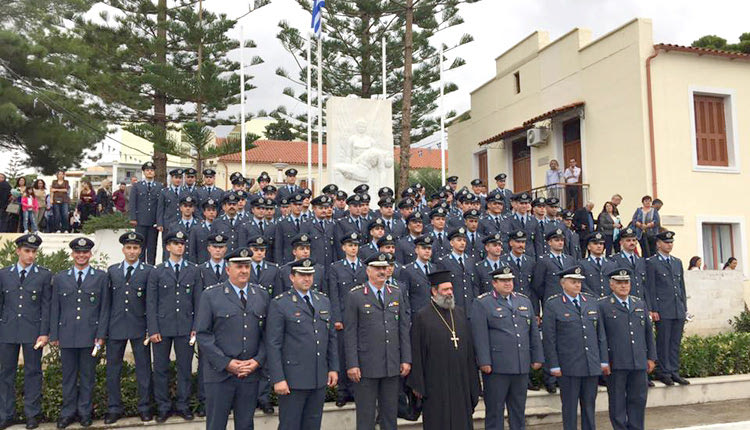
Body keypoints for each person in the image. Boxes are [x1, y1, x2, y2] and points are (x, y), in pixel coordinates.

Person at [195, 247, 268, 430]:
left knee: (245, 425)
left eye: (247, 266)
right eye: (238, 266)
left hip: (249, 375)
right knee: (216, 425)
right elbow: (203, 335)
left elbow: (268, 335)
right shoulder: (211, 295)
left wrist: (257, 361)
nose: (244, 271)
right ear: (228, 269)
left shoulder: (261, 295)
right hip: (220, 375)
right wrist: (227, 363)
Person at [267, 258, 338, 430]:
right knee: (290, 425)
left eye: (310, 275)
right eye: (302, 275)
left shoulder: (323, 301)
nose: (307, 279)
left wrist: (333, 368)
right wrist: (278, 378)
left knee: (313, 424)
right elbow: (273, 343)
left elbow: (331, 337)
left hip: (318, 376)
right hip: (293, 379)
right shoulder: (280, 303)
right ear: (292, 277)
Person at [345, 252, 411, 430]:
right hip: (366, 367)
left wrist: (406, 359)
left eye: (385, 267)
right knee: (366, 417)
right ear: (368, 270)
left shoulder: (396, 293)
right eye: (378, 268)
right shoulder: (356, 296)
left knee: (390, 416)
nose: (382, 271)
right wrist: (352, 364)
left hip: (391, 365)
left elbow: (403, 329)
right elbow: (350, 333)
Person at [471, 266, 543, 430]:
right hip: (497, 367)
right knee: (495, 411)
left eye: (510, 280)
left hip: (520, 365)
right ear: (494, 283)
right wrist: (484, 361)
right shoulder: (483, 303)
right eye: (503, 281)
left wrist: (537, 356)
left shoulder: (523, 301)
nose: (508, 284)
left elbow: (532, 332)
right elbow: (480, 335)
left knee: (518, 410)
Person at [408, 269, 479, 430]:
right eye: (445, 290)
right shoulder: (422, 316)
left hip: (460, 381)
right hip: (435, 383)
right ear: (434, 291)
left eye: (451, 289)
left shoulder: (460, 314)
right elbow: (416, 351)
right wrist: (418, 383)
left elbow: (469, 350)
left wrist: (473, 381)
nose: (449, 293)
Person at [50, 237, 110, 428]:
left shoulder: (100, 277)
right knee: (68, 377)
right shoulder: (60, 278)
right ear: (72, 254)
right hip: (66, 335)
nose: (81, 255)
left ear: (90, 254)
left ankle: (84, 412)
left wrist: (101, 335)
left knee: (87, 377)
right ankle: (67, 413)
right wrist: (54, 335)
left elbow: (104, 309)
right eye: (78, 252)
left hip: (90, 335)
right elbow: (55, 308)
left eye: (85, 252)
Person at [543, 265, 609, 430]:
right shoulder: (553, 304)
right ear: (563, 283)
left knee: (589, 407)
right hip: (569, 366)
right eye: (573, 282)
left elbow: (600, 335)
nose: (578, 285)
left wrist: (603, 361)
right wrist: (554, 364)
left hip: (590, 364)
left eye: (579, 282)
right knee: (570, 408)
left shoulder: (591, 301)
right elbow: (550, 339)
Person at [146, 230, 202, 422]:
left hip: (186, 327)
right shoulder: (157, 271)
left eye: (182, 243)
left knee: (184, 368)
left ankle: (183, 405)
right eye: (175, 243)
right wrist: (152, 329)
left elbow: (198, 301)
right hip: (162, 327)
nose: (179, 246)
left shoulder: (194, 270)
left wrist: (196, 326)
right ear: (168, 246)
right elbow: (151, 302)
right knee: (160, 368)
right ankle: (163, 406)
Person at [0, 234, 52, 430]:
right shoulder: (4, 274)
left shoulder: (44, 275)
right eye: (27, 251)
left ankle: (32, 414)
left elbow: (46, 306)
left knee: (33, 372)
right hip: (7, 330)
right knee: (6, 373)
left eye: (33, 252)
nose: (30, 255)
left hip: (33, 331)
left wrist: (44, 332)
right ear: (18, 251)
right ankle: (5, 414)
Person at [104, 232, 154, 424]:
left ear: (140, 250)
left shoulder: (148, 271)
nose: (132, 251)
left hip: (139, 326)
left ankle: (144, 407)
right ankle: (114, 408)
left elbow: (150, 303)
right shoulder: (113, 271)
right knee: (113, 370)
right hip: (115, 326)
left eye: (135, 248)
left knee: (143, 369)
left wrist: (150, 328)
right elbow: (107, 303)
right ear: (123, 249)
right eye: (129, 248)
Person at [598, 268, 656, 430]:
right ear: (611, 284)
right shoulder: (603, 305)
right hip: (616, 361)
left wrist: (651, 357)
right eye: (619, 283)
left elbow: (648, 333)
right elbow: (601, 336)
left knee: (638, 399)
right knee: (617, 401)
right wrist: (604, 361)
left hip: (638, 360)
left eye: (626, 282)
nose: (623, 286)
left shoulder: (639, 303)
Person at [327, 232, 367, 407]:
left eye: (356, 245)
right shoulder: (336, 268)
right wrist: (336, 317)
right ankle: (343, 392)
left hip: (361, 317)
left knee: (359, 353)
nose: (353, 248)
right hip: (343, 317)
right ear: (343, 248)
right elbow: (334, 295)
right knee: (343, 354)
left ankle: (357, 391)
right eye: (350, 245)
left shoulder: (365, 267)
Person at [646, 231, 689, 386]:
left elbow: (681, 287)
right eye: (666, 242)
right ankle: (663, 371)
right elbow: (650, 288)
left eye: (671, 242)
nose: (669, 245)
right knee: (663, 341)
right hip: (663, 308)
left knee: (675, 342)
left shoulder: (676, 262)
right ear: (658, 244)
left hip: (677, 308)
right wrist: (653, 309)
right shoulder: (652, 262)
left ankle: (674, 371)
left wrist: (684, 307)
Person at [129, 161, 163, 264]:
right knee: (140, 246)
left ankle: (151, 268)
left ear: (154, 173)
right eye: (147, 170)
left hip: (153, 222)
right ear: (143, 172)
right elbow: (132, 202)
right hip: (140, 221)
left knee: (152, 247)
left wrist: (159, 222)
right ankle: (141, 267)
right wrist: (133, 218)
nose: (150, 172)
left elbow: (160, 206)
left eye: (152, 170)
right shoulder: (137, 186)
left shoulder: (159, 186)